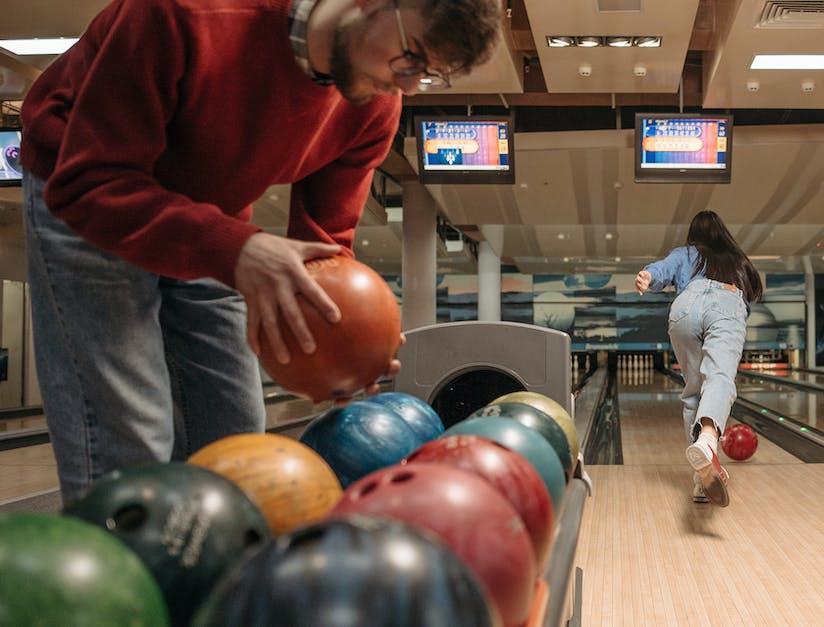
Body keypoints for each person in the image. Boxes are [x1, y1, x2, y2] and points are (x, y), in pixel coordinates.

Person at [20, 0, 502, 504]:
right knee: (132, 445)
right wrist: (237, 249)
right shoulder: (186, 13)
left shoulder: (373, 107)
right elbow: (86, 183)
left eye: (429, 76)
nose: (407, 85)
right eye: (412, 55)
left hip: (213, 215)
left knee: (241, 446)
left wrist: (345, 342)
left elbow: (326, 247)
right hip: (89, 196)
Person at [636, 210, 762, 507]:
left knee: (693, 392)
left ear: (694, 235)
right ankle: (707, 440)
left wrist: (648, 276)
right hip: (727, 302)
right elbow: (751, 294)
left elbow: (662, 270)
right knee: (718, 378)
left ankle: (701, 480)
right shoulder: (737, 259)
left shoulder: (685, 253)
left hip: (685, 306)